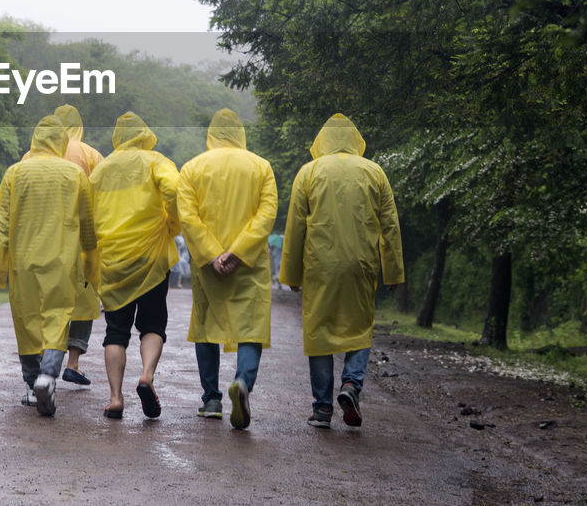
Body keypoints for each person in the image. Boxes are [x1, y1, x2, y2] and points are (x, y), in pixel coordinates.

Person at [280, 113, 404, 429]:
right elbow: (389, 224)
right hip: (361, 265)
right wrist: (393, 271)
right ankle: (350, 385)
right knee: (360, 326)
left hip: (319, 266)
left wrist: (291, 274)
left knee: (319, 331)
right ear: (355, 140)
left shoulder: (308, 172)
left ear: (322, 140)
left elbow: (295, 227)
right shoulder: (374, 172)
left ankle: (322, 409)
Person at [0, 115, 99, 417]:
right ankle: (48, 375)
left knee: (27, 319)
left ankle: (33, 385)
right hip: (62, 259)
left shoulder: (15, 173)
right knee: (58, 319)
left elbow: (2, 221)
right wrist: (91, 259)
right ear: (61, 141)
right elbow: (87, 224)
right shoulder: (74, 174)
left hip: (24, 260)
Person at [177, 108, 278, 429]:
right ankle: (243, 383)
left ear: (211, 133)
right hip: (249, 265)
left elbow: (188, 217)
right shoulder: (261, 167)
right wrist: (237, 252)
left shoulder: (192, 168)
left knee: (207, 328)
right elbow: (266, 214)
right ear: (240, 133)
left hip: (209, 268)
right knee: (250, 327)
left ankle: (211, 400)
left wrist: (213, 254)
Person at [89, 111, 180, 420]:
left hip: (114, 258)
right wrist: (172, 223)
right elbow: (173, 189)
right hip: (151, 255)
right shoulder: (155, 161)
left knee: (115, 331)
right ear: (144, 134)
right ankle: (146, 376)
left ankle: (115, 398)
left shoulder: (100, 170)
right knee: (153, 324)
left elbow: (88, 215)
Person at [24, 104, 104, 389]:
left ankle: (45, 362)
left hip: (36, 242)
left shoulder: (30, 156)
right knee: (83, 302)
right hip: (78, 242)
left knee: (45, 305)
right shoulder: (90, 154)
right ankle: (72, 362)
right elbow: (99, 198)